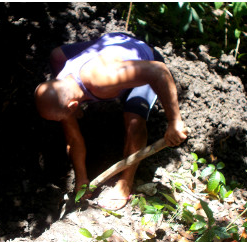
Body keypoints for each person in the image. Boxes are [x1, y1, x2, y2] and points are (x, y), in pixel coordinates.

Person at [35, 32, 188, 211]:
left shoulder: (103, 79)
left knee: (134, 122)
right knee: (57, 55)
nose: (61, 121)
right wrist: (82, 178)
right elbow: (73, 139)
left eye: (60, 117)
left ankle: (125, 184)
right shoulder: (61, 83)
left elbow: (159, 71)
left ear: (73, 105)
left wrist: (174, 121)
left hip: (146, 60)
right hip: (112, 42)